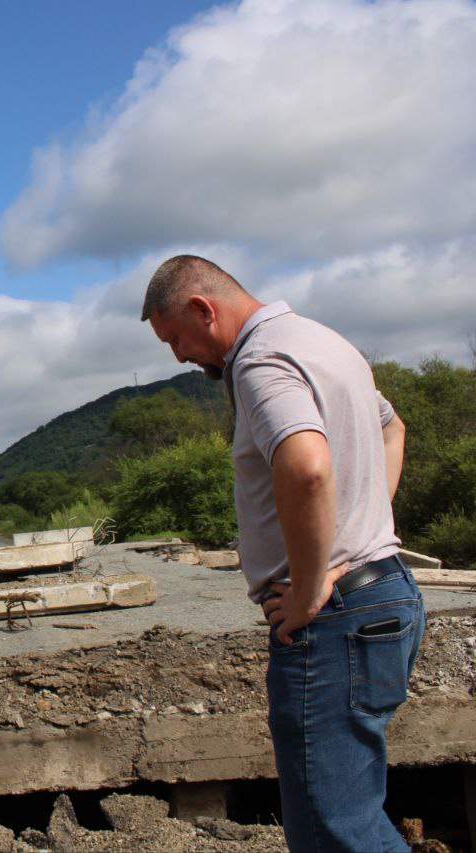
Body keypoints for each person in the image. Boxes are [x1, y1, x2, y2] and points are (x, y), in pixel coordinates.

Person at [141, 255, 421, 852]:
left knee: (334, 831)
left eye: (176, 338)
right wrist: (365, 528)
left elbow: (308, 468)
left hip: (334, 620)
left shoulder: (261, 361)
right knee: (351, 816)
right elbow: (393, 430)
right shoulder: (324, 342)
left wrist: (313, 582)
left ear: (203, 309)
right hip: (385, 596)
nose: (179, 356)